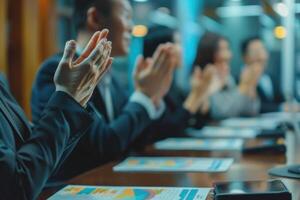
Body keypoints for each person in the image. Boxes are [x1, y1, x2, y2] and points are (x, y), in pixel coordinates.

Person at [31, 0, 177, 182]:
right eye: (126, 17)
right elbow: (104, 145)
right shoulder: (56, 72)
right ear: (94, 17)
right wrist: (144, 96)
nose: (132, 28)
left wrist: (153, 97)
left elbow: (135, 137)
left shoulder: (111, 79)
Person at [0, 30, 112, 199]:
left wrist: (74, 100)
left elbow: (36, 160)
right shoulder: (50, 68)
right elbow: (15, 188)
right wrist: (68, 99)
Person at [193, 32, 261, 120]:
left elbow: (250, 110)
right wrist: (243, 87)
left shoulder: (228, 78)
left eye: (228, 48)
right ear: (209, 51)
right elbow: (221, 113)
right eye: (221, 49)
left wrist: (250, 87)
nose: (228, 54)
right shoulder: (202, 77)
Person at [241, 36, 299, 113]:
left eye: (263, 50)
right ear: (245, 57)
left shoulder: (271, 78)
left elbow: (281, 100)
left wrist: (291, 106)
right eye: (256, 52)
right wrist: (280, 108)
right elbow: (248, 107)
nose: (261, 56)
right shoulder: (238, 80)